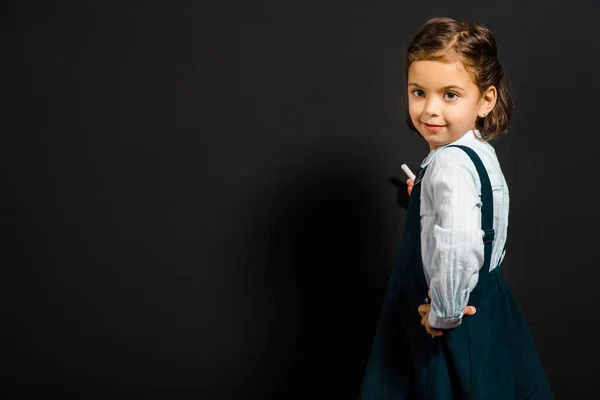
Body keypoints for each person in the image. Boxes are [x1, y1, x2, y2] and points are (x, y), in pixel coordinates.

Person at [359, 17, 554, 399]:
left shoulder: (448, 165)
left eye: (449, 94)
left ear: (486, 100)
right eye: (419, 92)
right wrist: (424, 195)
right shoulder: (477, 152)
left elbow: (461, 241)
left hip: (451, 318)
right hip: (488, 303)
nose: (430, 109)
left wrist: (442, 313)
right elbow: (481, 215)